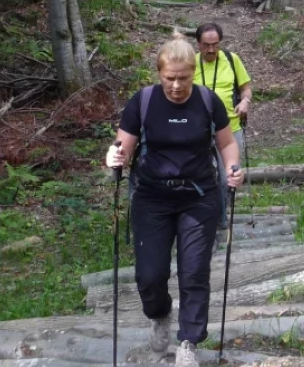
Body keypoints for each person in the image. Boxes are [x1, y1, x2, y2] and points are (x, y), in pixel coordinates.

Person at [105, 33, 245, 366]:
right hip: (152, 197)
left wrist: (233, 168)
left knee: (194, 272)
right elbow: (122, 147)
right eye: (170, 78)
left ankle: (188, 343)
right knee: (149, 275)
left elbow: (226, 144)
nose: (177, 85)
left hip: (198, 196)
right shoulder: (143, 101)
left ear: (193, 72)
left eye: (184, 78)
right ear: (159, 73)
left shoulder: (209, 102)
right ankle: (159, 315)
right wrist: (114, 157)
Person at [193, 23, 252, 157]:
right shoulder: (190, 63)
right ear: (198, 43)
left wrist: (245, 102)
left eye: (215, 44)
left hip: (231, 127)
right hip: (200, 129)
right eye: (206, 45)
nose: (211, 49)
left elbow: (246, 88)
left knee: (231, 174)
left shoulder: (232, 59)